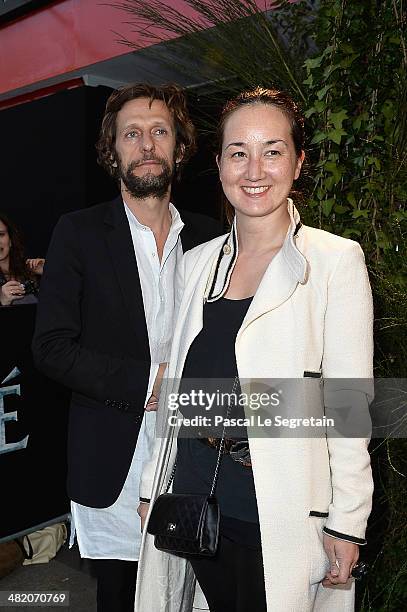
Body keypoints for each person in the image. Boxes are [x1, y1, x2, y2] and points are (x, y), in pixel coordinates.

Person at [135, 88, 374, 612]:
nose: (254, 170)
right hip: (195, 499)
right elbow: (175, 387)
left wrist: (347, 522)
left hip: (279, 509)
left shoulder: (335, 262)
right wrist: (156, 479)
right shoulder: (195, 264)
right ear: (219, 162)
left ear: (298, 161)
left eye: (273, 149)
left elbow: (349, 406)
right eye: (238, 152)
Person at [32, 83, 221, 612]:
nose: (146, 145)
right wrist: (149, 384)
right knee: (118, 598)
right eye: (131, 134)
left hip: (192, 457)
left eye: (159, 132)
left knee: (190, 595)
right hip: (113, 462)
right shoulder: (80, 233)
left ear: (179, 147)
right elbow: (51, 347)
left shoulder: (209, 239)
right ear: (111, 150)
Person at [0, 212, 44, 307]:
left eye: (1, 234)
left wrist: (49, 271)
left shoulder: (30, 270)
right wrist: (2, 302)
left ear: (10, 240)